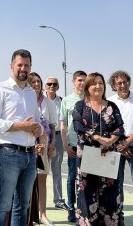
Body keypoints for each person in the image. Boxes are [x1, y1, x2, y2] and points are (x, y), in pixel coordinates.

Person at [0, 49, 42, 226]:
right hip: (10, 153)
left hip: (30, 155)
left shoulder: (31, 93)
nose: (23, 68)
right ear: (12, 66)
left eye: (26, 65)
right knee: (4, 204)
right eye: (20, 65)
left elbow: (38, 122)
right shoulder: (0, 89)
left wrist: (38, 130)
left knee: (23, 205)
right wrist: (20, 126)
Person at [72, 72, 124, 225]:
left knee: (110, 193)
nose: (98, 86)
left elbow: (120, 127)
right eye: (94, 83)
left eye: (101, 83)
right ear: (88, 87)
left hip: (107, 155)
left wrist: (111, 140)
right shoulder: (80, 106)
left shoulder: (111, 106)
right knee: (86, 193)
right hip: (87, 156)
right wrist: (97, 137)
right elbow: (78, 126)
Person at [108, 70, 133, 226]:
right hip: (115, 145)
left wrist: (128, 142)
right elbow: (108, 125)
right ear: (113, 85)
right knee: (116, 184)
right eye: (119, 83)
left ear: (129, 82)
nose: (122, 85)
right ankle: (119, 218)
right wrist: (119, 144)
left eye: (125, 82)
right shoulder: (109, 102)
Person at [29, 72, 57, 226]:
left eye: (38, 81)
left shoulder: (48, 102)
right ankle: (29, 215)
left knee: (42, 179)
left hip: (43, 146)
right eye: (33, 81)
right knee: (27, 181)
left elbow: (52, 125)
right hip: (27, 145)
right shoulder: (24, 99)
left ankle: (42, 214)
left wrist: (52, 143)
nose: (37, 84)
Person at [59, 70, 87, 222]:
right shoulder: (66, 101)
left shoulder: (90, 99)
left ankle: (82, 208)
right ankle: (71, 208)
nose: (82, 83)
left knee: (85, 179)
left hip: (88, 146)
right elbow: (63, 125)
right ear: (74, 82)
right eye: (79, 80)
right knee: (71, 178)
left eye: (84, 80)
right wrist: (65, 145)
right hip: (73, 146)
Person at [45, 77, 69, 213]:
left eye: (54, 84)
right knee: (39, 170)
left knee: (56, 170)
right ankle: (35, 201)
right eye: (49, 84)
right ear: (45, 86)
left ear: (58, 87)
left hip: (58, 138)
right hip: (42, 138)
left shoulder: (62, 101)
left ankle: (58, 200)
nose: (52, 86)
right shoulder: (41, 101)